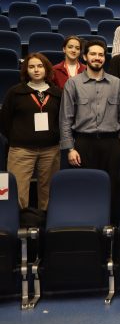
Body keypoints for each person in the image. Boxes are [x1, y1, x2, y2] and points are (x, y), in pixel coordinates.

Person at [59, 38, 120, 222]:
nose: (97, 58)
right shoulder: (73, 84)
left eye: (101, 55)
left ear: (105, 58)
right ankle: (88, 223)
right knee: (86, 186)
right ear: (85, 57)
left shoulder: (117, 83)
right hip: (83, 144)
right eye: (93, 54)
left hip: (112, 143)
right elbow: (65, 118)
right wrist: (70, 148)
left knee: (112, 186)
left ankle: (111, 227)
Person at [0, 53, 62, 211]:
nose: (36, 70)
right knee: (18, 191)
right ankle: (19, 223)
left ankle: (44, 222)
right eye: (31, 67)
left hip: (50, 150)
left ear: (46, 69)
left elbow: (62, 120)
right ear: (26, 70)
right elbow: (5, 121)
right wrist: (18, 137)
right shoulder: (15, 92)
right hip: (21, 150)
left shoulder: (57, 93)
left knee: (48, 192)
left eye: (40, 66)